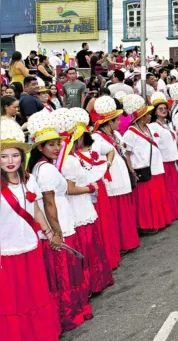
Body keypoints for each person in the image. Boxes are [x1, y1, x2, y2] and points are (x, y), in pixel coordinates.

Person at [26, 110, 93, 331]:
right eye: (51, 144)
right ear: (39, 148)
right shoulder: (45, 170)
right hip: (59, 226)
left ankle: (70, 309)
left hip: (62, 222)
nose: (56, 148)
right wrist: (56, 232)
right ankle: (67, 312)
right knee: (62, 274)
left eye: (57, 143)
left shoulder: (42, 167)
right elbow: (49, 203)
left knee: (63, 273)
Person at [0, 119, 62, 341]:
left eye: (15, 155)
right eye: (4, 156)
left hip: (30, 247)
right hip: (5, 255)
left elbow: (36, 210)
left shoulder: (29, 180)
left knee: (34, 296)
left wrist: (51, 233)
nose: (10, 161)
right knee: (10, 303)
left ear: (22, 156)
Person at [58, 108, 114, 295]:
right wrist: (90, 188)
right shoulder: (70, 161)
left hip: (81, 206)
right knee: (87, 246)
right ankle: (91, 284)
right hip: (79, 207)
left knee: (89, 246)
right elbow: (70, 188)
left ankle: (92, 284)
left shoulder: (69, 158)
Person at [93, 95, 140, 268]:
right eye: (116, 120)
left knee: (124, 212)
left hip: (122, 178)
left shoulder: (116, 134)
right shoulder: (97, 138)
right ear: (108, 122)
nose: (120, 122)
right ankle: (120, 244)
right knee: (116, 215)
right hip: (111, 182)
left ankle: (127, 242)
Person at [122, 94, 173, 231]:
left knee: (157, 198)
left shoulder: (148, 128)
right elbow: (126, 154)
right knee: (147, 200)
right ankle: (148, 225)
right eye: (147, 114)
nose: (150, 116)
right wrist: (132, 170)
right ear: (140, 117)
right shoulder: (130, 133)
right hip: (143, 170)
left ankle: (160, 220)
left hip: (156, 167)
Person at [148, 92, 178, 221]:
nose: (163, 110)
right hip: (164, 161)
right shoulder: (153, 127)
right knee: (169, 188)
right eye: (160, 108)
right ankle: (172, 211)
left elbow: (175, 138)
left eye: (165, 108)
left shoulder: (167, 124)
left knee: (174, 186)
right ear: (155, 112)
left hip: (172, 160)